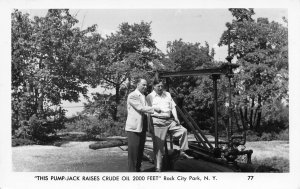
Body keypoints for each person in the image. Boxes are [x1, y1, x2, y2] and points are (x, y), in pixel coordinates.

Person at [146, 79, 192, 172]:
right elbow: (148, 112)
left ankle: (182, 152)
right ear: (154, 86)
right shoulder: (149, 97)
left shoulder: (167, 94)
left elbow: (173, 107)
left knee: (183, 131)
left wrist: (176, 118)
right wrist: (149, 125)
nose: (160, 88)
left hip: (169, 121)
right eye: (158, 86)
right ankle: (158, 167)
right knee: (158, 147)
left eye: (162, 86)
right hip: (157, 122)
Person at [125, 78, 160, 172]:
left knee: (140, 151)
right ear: (137, 85)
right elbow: (140, 108)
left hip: (142, 127)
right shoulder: (133, 95)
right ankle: (131, 173)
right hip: (133, 128)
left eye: (146, 85)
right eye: (143, 85)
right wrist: (154, 109)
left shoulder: (143, 96)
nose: (145, 87)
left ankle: (137, 170)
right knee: (133, 153)